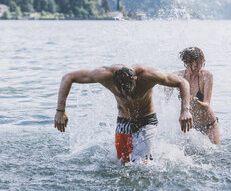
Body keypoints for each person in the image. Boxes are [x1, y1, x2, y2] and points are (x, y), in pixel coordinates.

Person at [54, 64, 193, 164]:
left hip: (147, 121)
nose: (125, 95)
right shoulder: (103, 75)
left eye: (129, 90)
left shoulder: (150, 76)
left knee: (139, 164)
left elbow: (183, 82)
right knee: (122, 164)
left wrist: (185, 110)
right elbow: (68, 77)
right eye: (120, 91)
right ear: (113, 82)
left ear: (135, 80)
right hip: (123, 122)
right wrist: (60, 111)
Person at [174, 47, 220, 144]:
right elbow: (163, 100)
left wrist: (196, 101)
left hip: (209, 125)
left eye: (201, 64)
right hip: (190, 128)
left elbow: (207, 104)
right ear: (186, 63)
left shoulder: (207, 76)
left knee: (217, 155)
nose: (199, 67)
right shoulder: (177, 77)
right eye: (195, 65)